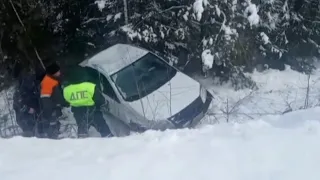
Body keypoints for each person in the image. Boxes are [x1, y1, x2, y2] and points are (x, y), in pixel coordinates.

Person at [62, 66, 113, 138]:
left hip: (78, 113)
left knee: (82, 130)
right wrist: (104, 103)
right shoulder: (90, 86)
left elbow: (66, 101)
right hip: (92, 111)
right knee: (102, 127)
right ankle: (110, 140)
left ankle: (83, 144)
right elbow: (99, 99)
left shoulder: (66, 90)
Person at [13, 68, 46, 137]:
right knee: (28, 134)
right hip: (25, 118)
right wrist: (28, 109)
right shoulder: (20, 92)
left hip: (36, 116)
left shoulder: (34, 89)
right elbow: (18, 105)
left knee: (41, 133)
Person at [40, 62, 65, 139]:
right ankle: (52, 138)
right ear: (54, 72)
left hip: (51, 106)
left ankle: (54, 135)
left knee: (53, 122)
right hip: (51, 107)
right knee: (52, 122)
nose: (59, 72)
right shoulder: (50, 81)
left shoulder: (50, 80)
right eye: (58, 71)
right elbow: (48, 97)